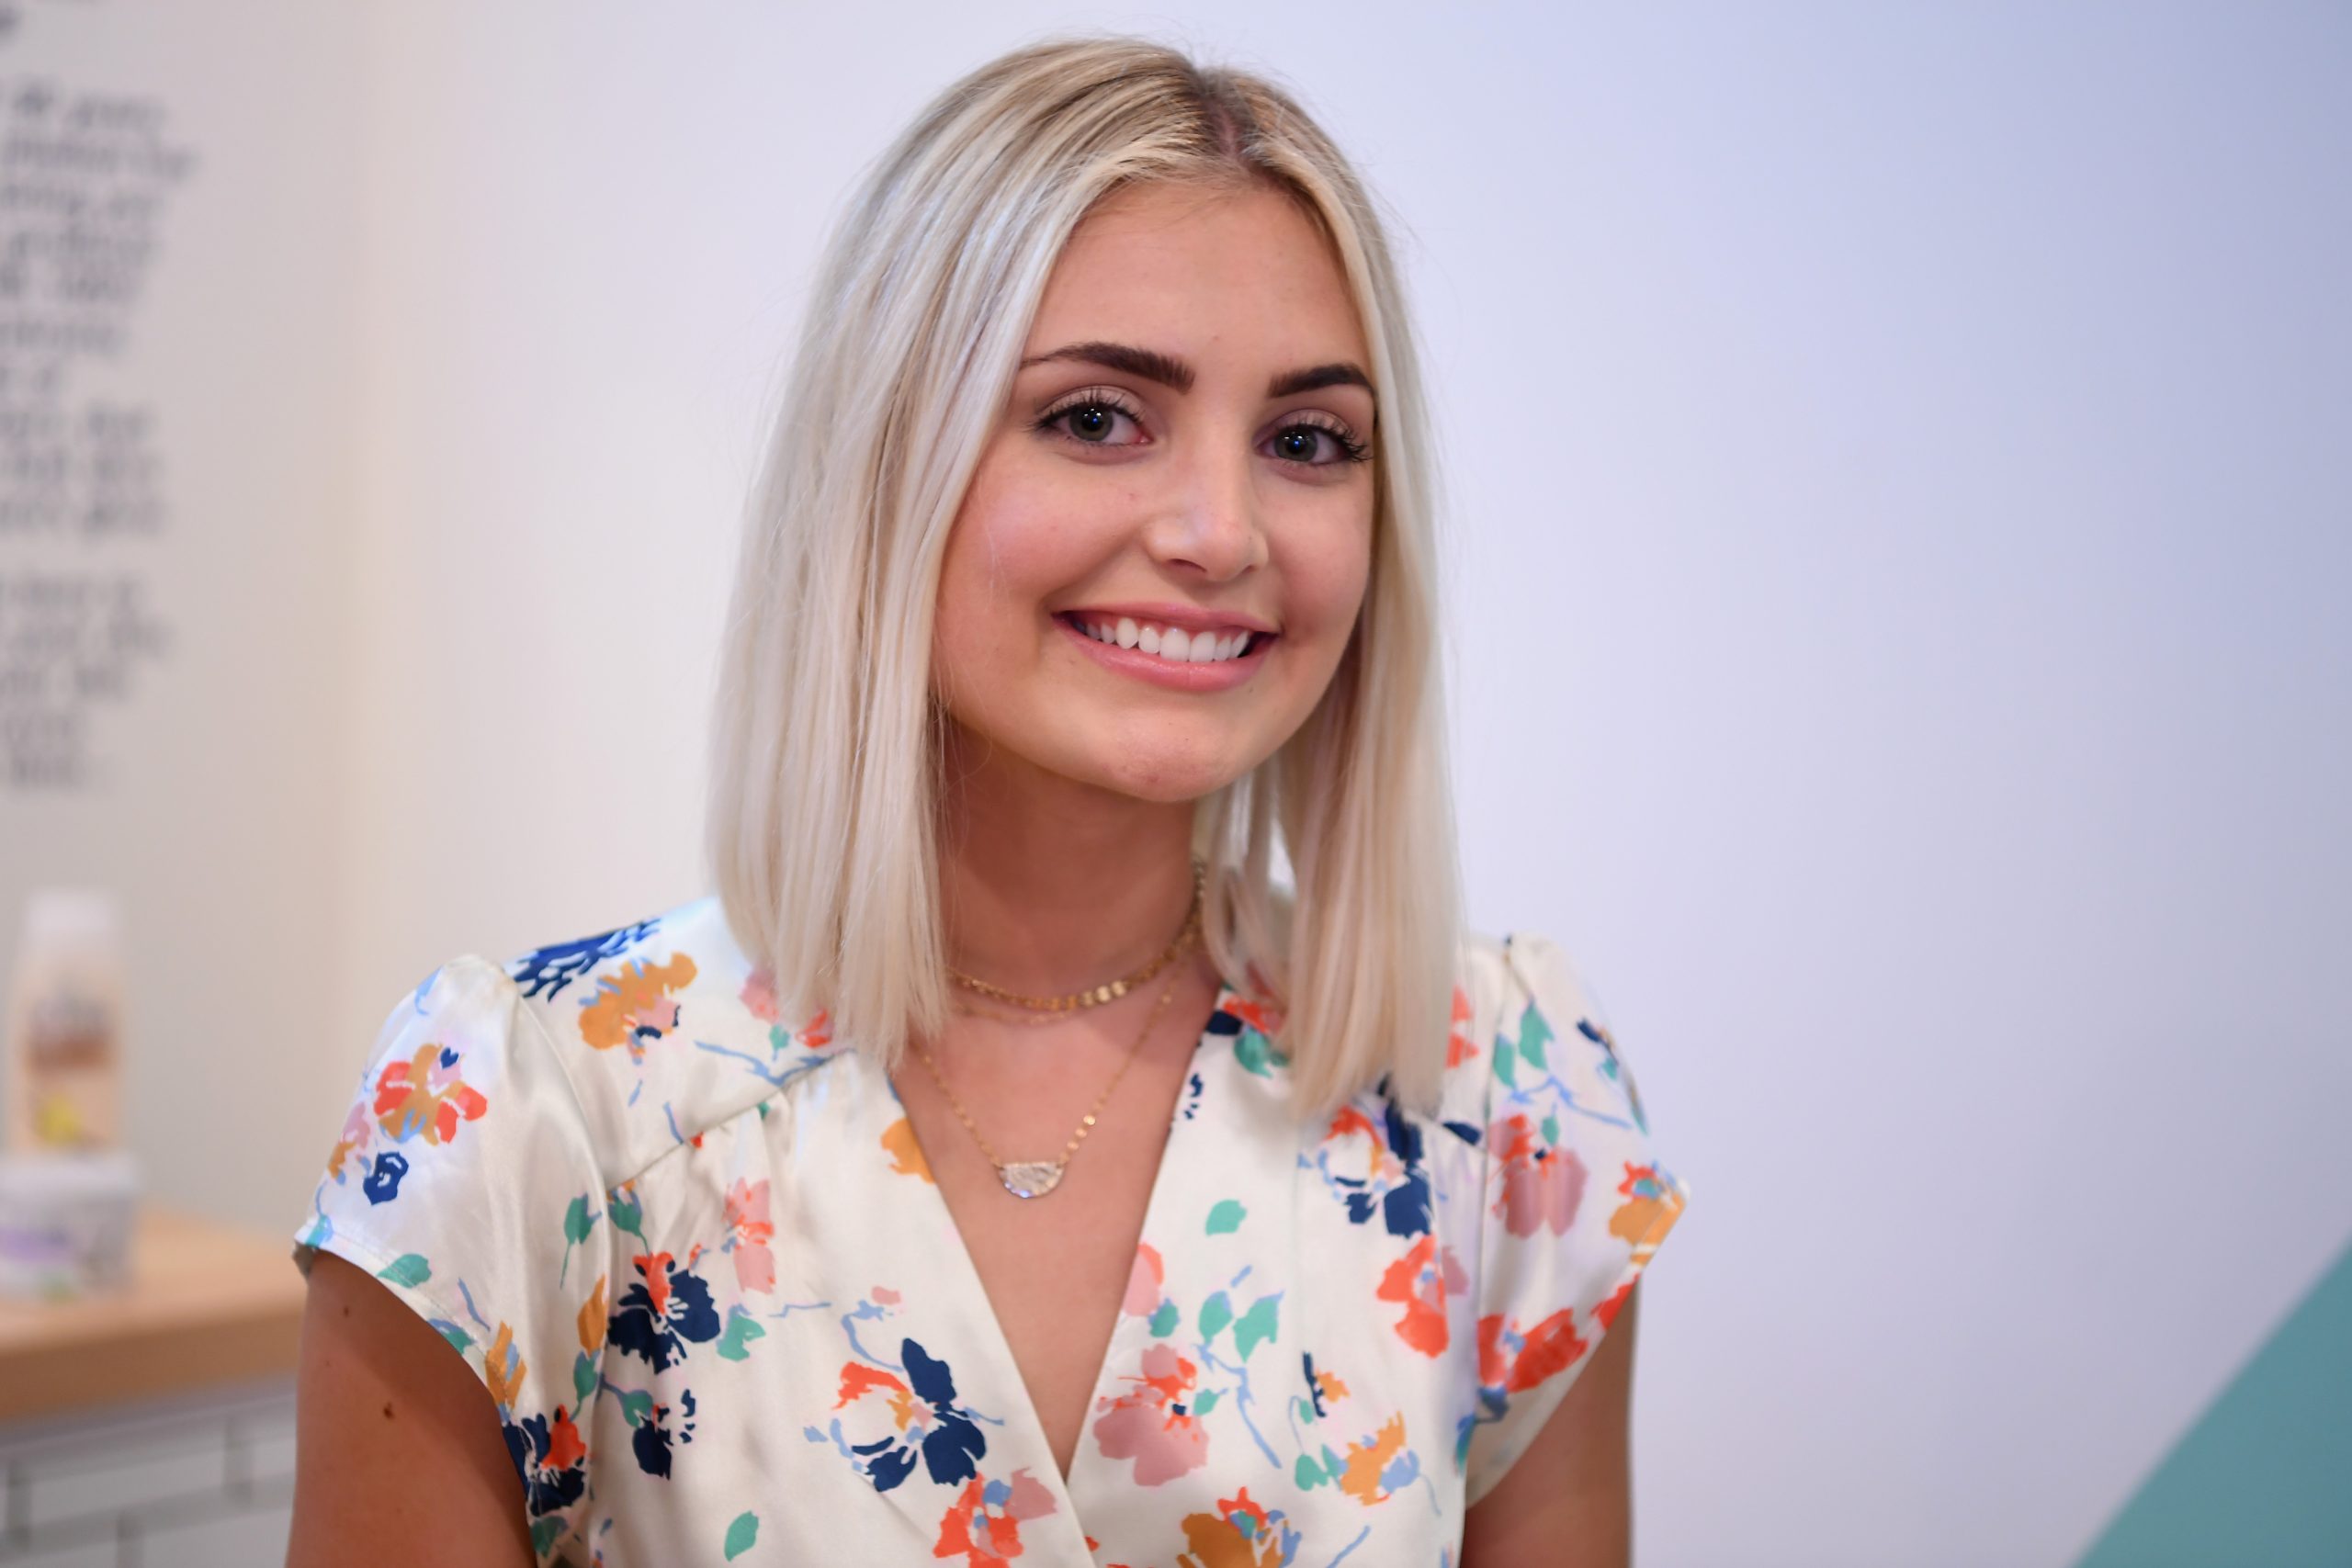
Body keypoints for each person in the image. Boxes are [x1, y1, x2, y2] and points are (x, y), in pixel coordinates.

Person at [283, 35, 1690, 1568]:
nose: (1222, 533)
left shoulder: (1499, 1096)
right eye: (1096, 417)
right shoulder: (532, 1121)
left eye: (1307, 442)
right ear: (887, 461)